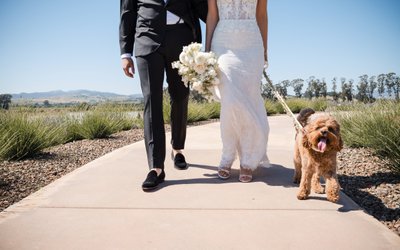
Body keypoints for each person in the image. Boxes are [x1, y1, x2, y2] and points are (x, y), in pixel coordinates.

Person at [119, 0, 208, 191]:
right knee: (152, 101)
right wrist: (125, 53)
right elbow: (128, 12)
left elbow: (204, 8)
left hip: (183, 39)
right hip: (147, 39)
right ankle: (156, 167)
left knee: (180, 95)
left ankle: (177, 149)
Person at [205, 0, 270, 182]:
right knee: (230, 100)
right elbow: (212, 15)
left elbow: (262, 16)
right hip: (223, 44)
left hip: (252, 44)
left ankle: (248, 158)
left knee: (249, 100)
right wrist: (207, 50)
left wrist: (264, 50)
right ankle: (227, 154)